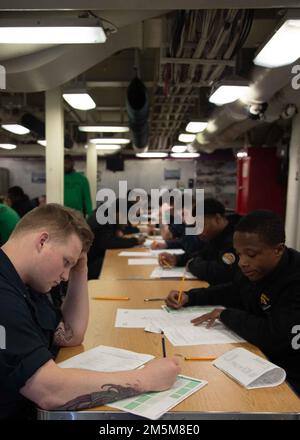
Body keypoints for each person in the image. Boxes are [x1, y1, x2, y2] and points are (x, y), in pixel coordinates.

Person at [0, 203, 179, 419]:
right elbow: (50, 392)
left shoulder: (26, 281)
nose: (65, 276)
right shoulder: (4, 296)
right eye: (66, 262)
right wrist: (145, 379)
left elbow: (70, 334)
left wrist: (80, 268)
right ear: (42, 241)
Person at [166, 210, 300, 395]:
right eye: (239, 254)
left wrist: (225, 314)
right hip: (261, 357)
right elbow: (234, 290)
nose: (242, 262)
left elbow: (275, 336)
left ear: (278, 250)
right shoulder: (257, 270)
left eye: (251, 255)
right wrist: (191, 296)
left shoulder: (294, 280)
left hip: (289, 374)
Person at [158, 198, 240, 285]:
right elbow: (201, 254)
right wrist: (177, 259)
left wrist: (192, 265)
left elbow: (223, 272)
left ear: (217, 219)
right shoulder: (216, 235)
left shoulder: (235, 237)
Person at [87, 199, 146, 279]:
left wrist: (117, 228)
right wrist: (135, 241)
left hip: (95, 259)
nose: (126, 223)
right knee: (120, 267)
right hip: (90, 265)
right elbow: (108, 243)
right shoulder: (103, 219)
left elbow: (112, 238)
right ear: (119, 213)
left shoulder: (106, 215)